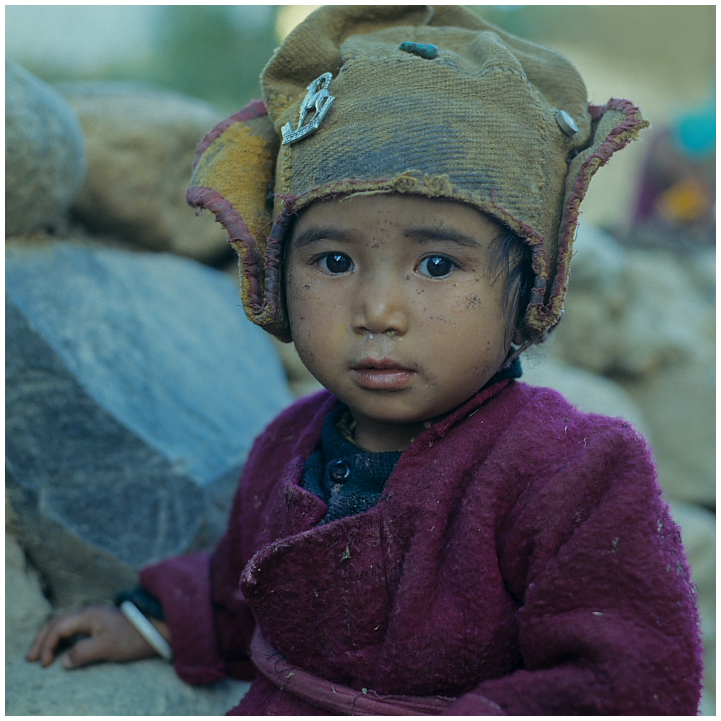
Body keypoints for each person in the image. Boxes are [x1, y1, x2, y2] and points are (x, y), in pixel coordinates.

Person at [27, 6, 703, 715]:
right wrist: (157, 620)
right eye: (335, 260)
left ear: (531, 287)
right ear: (277, 275)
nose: (378, 309)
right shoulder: (288, 442)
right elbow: (241, 588)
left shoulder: (577, 471)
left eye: (437, 263)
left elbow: (628, 679)